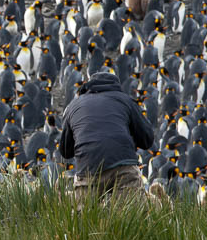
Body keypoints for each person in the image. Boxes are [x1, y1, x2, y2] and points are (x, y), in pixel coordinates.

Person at [59, 71, 154, 206]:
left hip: (88, 168)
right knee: (130, 215)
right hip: (123, 165)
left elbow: (65, 151)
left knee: (84, 220)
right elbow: (147, 140)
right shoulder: (125, 100)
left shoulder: (74, 105)